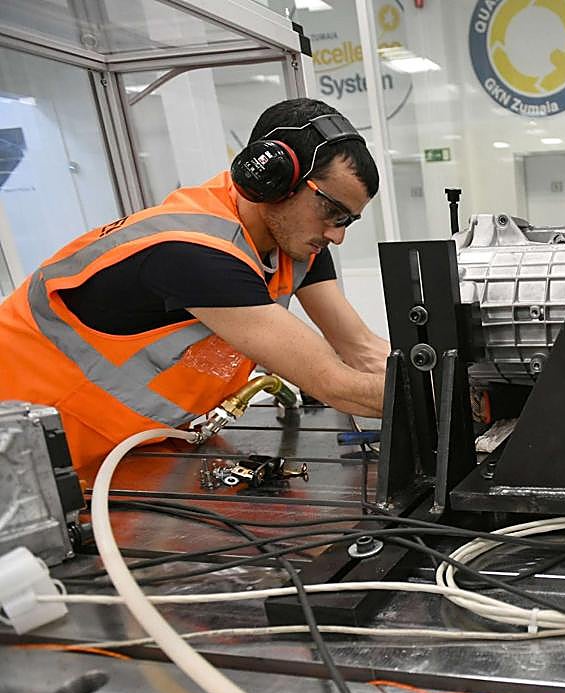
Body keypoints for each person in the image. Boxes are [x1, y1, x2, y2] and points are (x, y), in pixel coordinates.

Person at [0, 98, 391, 477]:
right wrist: (444, 401)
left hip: (130, 449)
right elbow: (333, 383)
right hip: (25, 443)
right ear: (274, 180)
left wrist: (439, 377)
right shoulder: (192, 252)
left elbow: (360, 349)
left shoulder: (296, 241)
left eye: (348, 220)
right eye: (332, 211)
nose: (336, 235)